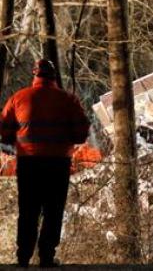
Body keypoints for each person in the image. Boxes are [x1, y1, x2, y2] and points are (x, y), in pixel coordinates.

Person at [0, 59, 89, 267]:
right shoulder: (68, 100)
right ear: (54, 76)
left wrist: (17, 139)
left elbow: (3, 132)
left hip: (29, 164)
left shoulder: (18, 98)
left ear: (35, 75)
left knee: (28, 209)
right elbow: (81, 134)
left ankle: (23, 257)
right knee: (53, 210)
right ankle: (46, 257)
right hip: (58, 165)